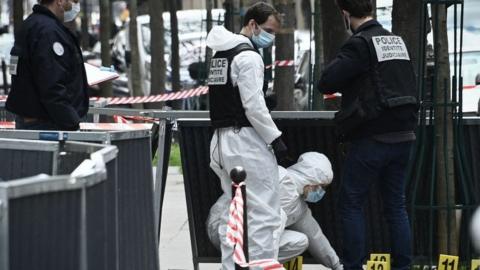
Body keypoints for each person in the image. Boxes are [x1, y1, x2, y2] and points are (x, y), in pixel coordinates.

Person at [316, 0, 418, 269]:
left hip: (372, 137)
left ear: (345, 14)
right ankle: (403, 266)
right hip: (404, 136)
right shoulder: (396, 41)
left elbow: (326, 82)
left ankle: (353, 266)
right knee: (396, 206)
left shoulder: (359, 44)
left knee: (351, 203)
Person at [206, 2, 288, 268]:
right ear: (252, 24)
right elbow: (253, 105)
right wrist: (275, 138)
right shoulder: (249, 57)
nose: (270, 37)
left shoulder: (220, 53)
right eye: (268, 30)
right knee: (264, 214)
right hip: (247, 143)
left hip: (221, 142)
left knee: (235, 212)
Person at [206, 152, 342, 269]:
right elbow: (271, 231)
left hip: (240, 234)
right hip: (224, 227)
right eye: (321, 187)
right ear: (312, 181)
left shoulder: (296, 203)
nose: (321, 192)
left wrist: (336, 265)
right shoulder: (281, 182)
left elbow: (315, 236)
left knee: (301, 240)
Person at [6, 0, 88, 131]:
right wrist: (71, 122)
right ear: (60, 1)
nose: (75, 6)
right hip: (46, 124)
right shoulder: (49, 32)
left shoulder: (32, 24)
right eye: (74, 1)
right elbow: (52, 85)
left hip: (34, 120)